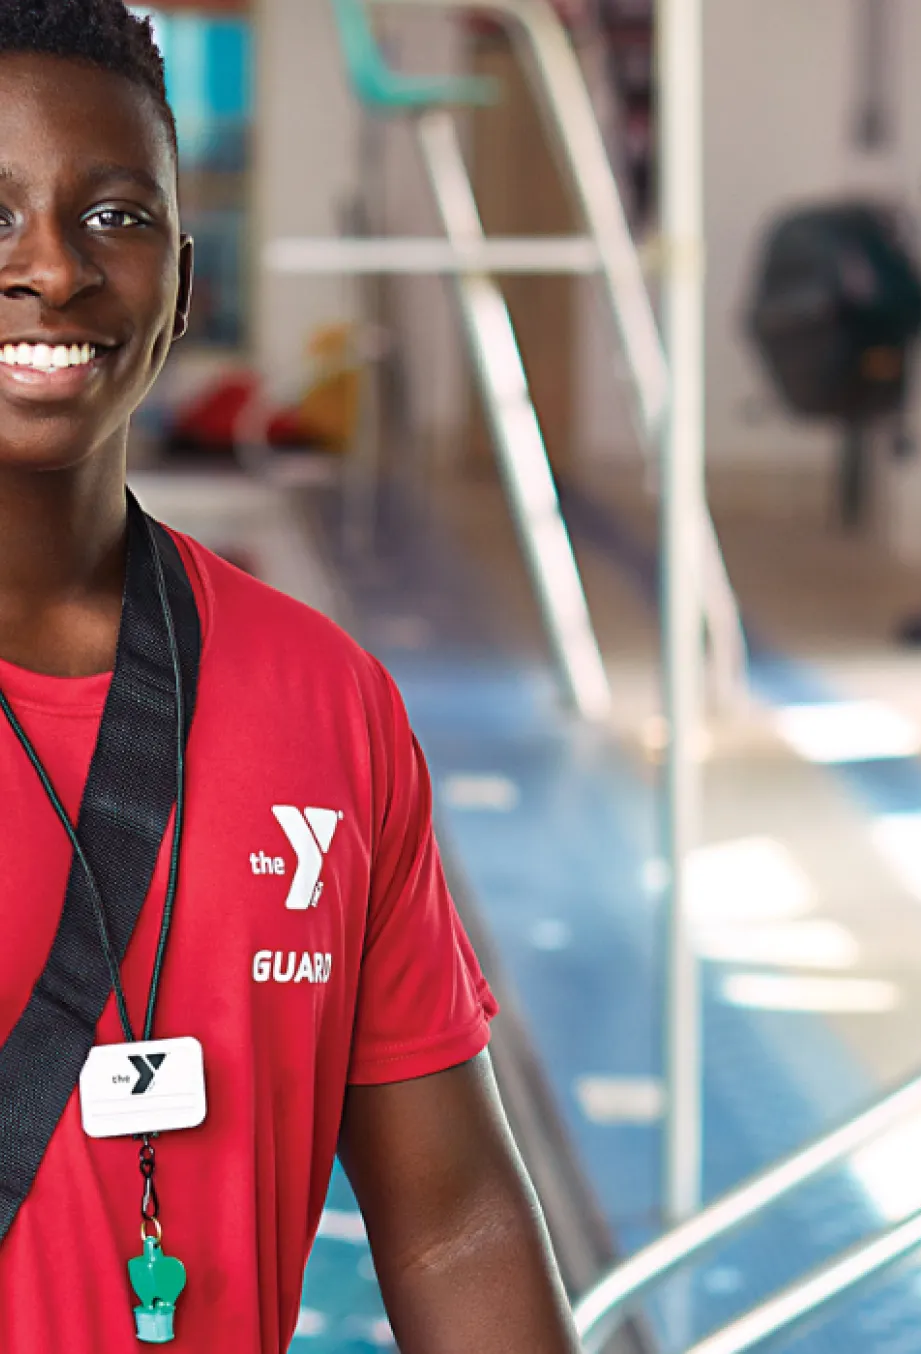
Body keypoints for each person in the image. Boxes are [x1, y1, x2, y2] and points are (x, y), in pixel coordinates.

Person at [0, 4, 584, 1351]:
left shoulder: (323, 703)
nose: (53, 267)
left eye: (117, 217)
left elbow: (455, 1218)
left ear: (188, 282)